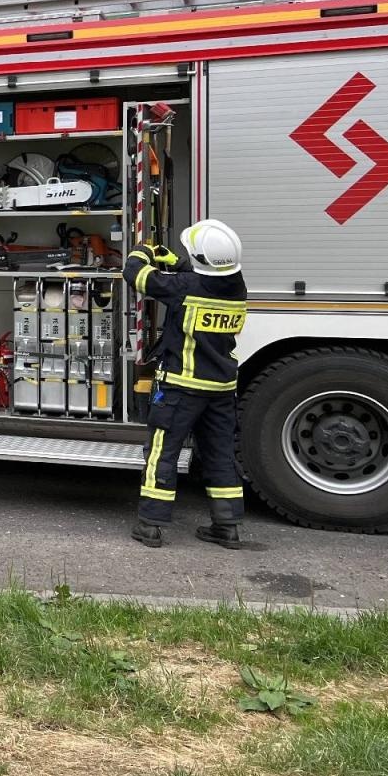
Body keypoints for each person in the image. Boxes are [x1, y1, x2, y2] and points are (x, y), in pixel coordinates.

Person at [124, 218, 251, 550]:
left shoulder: (184, 288)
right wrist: (177, 262)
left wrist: (144, 251)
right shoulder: (238, 286)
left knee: (162, 453)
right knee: (220, 454)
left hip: (181, 387)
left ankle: (151, 525)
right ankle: (227, 527)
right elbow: (200, 276)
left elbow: (136, 276)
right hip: (221, 389)